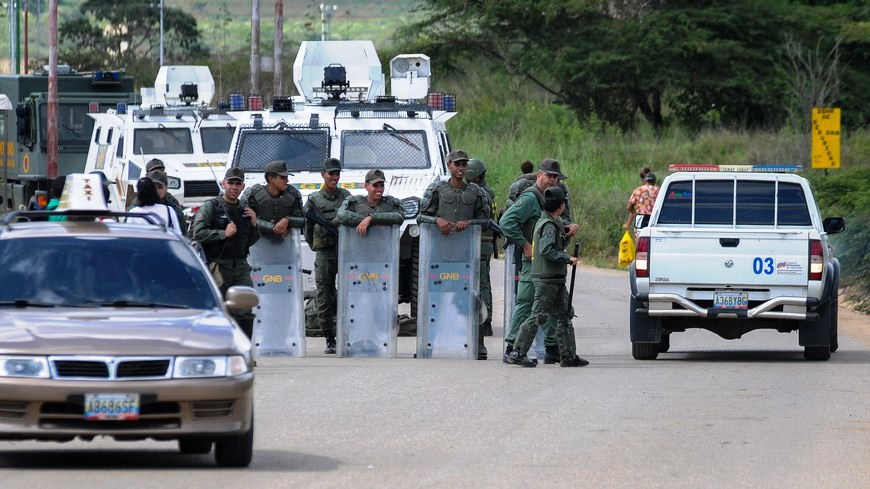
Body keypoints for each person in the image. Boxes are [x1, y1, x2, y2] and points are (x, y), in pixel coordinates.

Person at [499, 158, 579, 364]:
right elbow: (506, 222)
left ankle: (553, 348)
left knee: (554, 305)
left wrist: (569, 227)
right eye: (550, 176)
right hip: (533, 263)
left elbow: (562, 220)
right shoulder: (530, 199)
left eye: (556, 177)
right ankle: (513, 348)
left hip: (551, 262)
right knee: (527, 304)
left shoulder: (556, 198)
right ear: (539, 176)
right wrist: (525, 245)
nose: (553, 180)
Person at [418, 149, 491, 359]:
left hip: (467, 257)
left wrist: (469, 223)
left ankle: (478, 346)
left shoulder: (476, 192)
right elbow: (421, 217)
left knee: (472, 300)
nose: (460, 168)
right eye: (456, 164)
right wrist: (437, 220)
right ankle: (427, 345)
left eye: (463, 164)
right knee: (434, 302)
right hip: (439, 257)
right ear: (449, 165)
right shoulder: (437, 190)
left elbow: (486, 220)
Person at [507, 187, 588, 368]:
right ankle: (518, 352)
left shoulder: (550, 222)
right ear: (560, 205)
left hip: (555, 278)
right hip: (547, 279)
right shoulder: (549, 225)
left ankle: (568, 355)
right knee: (538, 316)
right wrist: (568, 258)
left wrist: (567, 235)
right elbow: (547, 250)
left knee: (565, 314)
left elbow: (555, 244)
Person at [192, 167, 260, 338]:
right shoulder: (212, 207)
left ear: (243, 186)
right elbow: (197, 233)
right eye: (230, 183)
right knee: (220, 309)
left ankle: (244, 351)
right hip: (218, 265)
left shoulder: (244, 210)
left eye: (238, 184)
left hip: (241, 266)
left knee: (244, 308)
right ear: (223, 184)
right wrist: (223, 233)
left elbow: (249, 240)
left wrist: (253, 224)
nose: (234, 187)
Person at [303, 157, 352, 354]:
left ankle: (349, 333)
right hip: (325, 253)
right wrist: (317, 245)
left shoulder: (346, 196)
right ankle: (329, 338)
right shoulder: (314, 199)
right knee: (325, 295)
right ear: (323, 174)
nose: (334, 177)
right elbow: (307, 229)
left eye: (337, 173)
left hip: (344, 250)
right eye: (331, 173)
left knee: (351, 292)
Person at [465, 157, 497, 337]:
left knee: (482, 284)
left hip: (480, 243)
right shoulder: (486, 190)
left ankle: (486, 321)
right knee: (483, 283)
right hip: (483, 244)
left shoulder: (480, 192)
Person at [240, 160, 305, 238]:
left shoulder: (293, 194)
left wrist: (288, 220)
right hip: (256, 242)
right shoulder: (253, 194)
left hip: (285, 243)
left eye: (286, 178)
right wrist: (272, 228)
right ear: (271, 179)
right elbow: (246, 219)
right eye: (283, 178)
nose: (287, 181)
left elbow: (303, 220)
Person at [337, 169, 404, 231]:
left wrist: (371, 218)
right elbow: (342, 215)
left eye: (382, 185)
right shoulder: (355, 203)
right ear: (366, 186)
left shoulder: (391, 203)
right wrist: (366, 220)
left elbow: (399, 217)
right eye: (375, 185)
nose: (379, 189)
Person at [143, 158, 185, 233]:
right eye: (153, 187)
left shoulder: (172, 208)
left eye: (160, 187)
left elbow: (181, 235)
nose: (157, 190)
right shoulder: (137, 207)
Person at [623, 167, 660, 233]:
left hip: (640, 219)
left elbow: (629, 207)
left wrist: (635, 213)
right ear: (654, 181)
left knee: (639, 239)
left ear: (645, 180)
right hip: (655, 220)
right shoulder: (658, 191)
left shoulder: (639, 190)